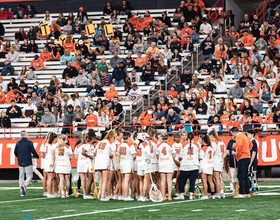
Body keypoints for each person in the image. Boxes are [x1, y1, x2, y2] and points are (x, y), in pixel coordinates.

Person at [93, 130, 118, 201]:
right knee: (105, 180)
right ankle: (103, 196)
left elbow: (94, 152)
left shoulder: (100, 142)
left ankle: (100, 194)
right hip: (104, 161)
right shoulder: (111, 143)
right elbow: (114, 154)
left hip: (98, 161)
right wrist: (116, 164)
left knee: (101, 180)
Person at [174, 132, 199, 200]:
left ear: (187, 137)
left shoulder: (183, 145)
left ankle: (181, 194)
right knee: (192, 181)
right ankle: (191, 194)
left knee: (181, 180)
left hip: (185, 165)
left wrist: (179, 159)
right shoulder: (197, 145)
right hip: (194, 165)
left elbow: (180, 156)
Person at [14, 130, 39, 196]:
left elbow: (15, 152)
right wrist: (37, 156)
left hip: (20, 161)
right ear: (25, 134)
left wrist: (19, 157)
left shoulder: (18, 143)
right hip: (27, 161)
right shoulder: (29, 142)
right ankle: (24, 185)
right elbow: (33, 151)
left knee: (21, 176)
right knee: (29, 176)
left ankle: (21, 192)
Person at [230, 127, 252, 198]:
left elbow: (239, 146)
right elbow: (251, 144)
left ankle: (242, 193)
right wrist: (247, 151)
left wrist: (236, 153)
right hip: (247, 156)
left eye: (232, 133)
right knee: (245, 175)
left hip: (242, 157)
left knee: (241, 176)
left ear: (234, 132)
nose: (232, 135)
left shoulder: (239, 137)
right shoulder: (244, 136)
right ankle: (247, 192)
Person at [118, 131, 136, 201]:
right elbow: (134, 155)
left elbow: (119, 155)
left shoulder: (120, 145)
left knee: (123, 180)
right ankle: (126, 195)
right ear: (128, 137)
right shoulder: (130, 145)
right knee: (126, 180)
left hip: (122, 162)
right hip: (128, 162)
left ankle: (123, 195)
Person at [157, 133, 176, 201]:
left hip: (162, 163)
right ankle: (169, 196)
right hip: (169, 163)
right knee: (169, 181)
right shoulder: (171, 145)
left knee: (162, 180)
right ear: (167, 138)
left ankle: (163, 196)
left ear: (162, 138)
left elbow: (157, 156)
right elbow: (174, 155)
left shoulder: (158, 145)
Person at [209, 129, 226, 199]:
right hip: (220, 161)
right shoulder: (221, 142)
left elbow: (213, 152)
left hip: (215, 161)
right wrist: (222, 158)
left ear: (212, 136)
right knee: (219, 178)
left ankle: (218, 193)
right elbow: (225, 151)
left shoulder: (214, 142)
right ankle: (221, 192)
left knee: (216, 178)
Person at [199, 134, 215, 199]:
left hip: (204, 166)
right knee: (210, 180)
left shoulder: (203, 148)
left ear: (203, 140)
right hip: (210, 165)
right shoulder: (211, 148)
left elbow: (200, 157)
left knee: (204, 181)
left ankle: (205, 195)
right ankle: (213, 194)